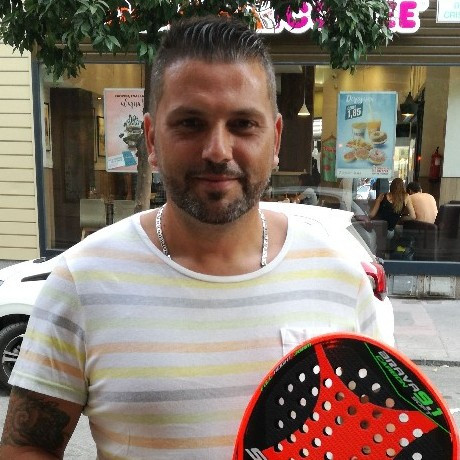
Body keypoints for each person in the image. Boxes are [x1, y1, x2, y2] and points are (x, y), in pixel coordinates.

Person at [1, 16, 394, 459]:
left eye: (243, 124)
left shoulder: (341, 279)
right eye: (190, 123)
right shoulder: (82, 280)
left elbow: (373, 437)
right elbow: (26, 447)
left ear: (276, 138)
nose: (217, 151)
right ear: (152, 139)